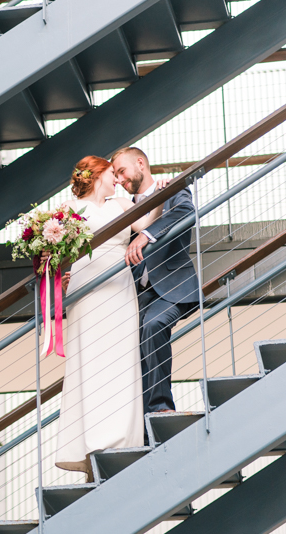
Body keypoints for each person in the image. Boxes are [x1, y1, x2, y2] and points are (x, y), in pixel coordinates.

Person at [53, 155, 170, 478]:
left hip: (118, 288)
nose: (118, 179)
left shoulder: (121, 204)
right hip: (84, 291)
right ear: (97, 174)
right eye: (113, 173)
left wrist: (159, 197)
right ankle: (89, 448)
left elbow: (145, 225)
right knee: (88, 365)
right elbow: (56, 253)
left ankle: (118, 443)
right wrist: (58, 273)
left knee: (120, 361)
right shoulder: (69, 210)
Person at [111, 147, 200, 415]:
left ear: (140, 163)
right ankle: (143, 426)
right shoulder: (121, 210)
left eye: (121, 171)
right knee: (133, 354)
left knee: (153, 325)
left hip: (173, 289)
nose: (118, 179)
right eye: (114, 175)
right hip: (136, 295)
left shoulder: (171, 190)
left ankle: (160, 409)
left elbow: (185, 212)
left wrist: (147, 234)